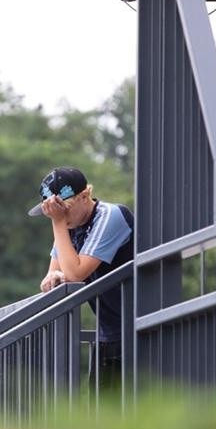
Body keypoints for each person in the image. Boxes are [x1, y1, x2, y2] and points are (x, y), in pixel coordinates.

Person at [28, 167, 133, 389]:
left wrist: (57, 223)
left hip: (139, 330)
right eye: (53, 212)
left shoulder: (110, 215)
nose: (60, 216)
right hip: (109, 334)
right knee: (103, 419)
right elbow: (50, 280)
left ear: (85, 195)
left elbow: (75, 274)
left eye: (63, 209)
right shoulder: (70, 227)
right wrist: (56, 275)